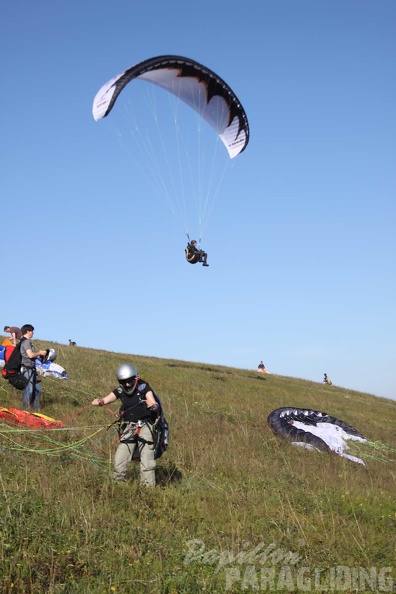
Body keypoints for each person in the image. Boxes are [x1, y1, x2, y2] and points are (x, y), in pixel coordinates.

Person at [92, 363, 159, 487]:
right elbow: (108, 399)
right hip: (129, 427)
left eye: (129, 381)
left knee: (147, 462)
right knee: (119, 460)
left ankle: (148, 491)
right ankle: (119, 488)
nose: (127, 384)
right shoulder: (121, 389)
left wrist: (153, 405)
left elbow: (153, 401)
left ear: (135, 378)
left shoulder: (144, 387)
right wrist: (100, 401)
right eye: (124, 382)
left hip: (145, 426)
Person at [19, 324, 48, 411]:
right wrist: (39, 352)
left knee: (37, 390)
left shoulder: (24, 342)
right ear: (28, 331)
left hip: (32, 368)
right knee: (29, 390)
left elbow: (31, 356)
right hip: (27, 368)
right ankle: (26, 410)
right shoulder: (26, 342)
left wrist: (40, 356)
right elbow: (30, 355)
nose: (33, 333)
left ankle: (36, 410)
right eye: (32, 331)